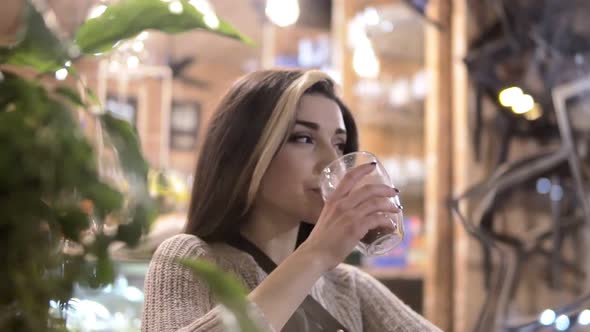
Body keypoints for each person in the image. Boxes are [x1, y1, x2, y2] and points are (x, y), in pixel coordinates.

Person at [141, 69, 442, 332]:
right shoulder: (189, 260)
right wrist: (314, 256)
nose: (331, 159)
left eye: (338, 144)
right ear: (247, 153)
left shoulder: (346, 286)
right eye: (304, 138)